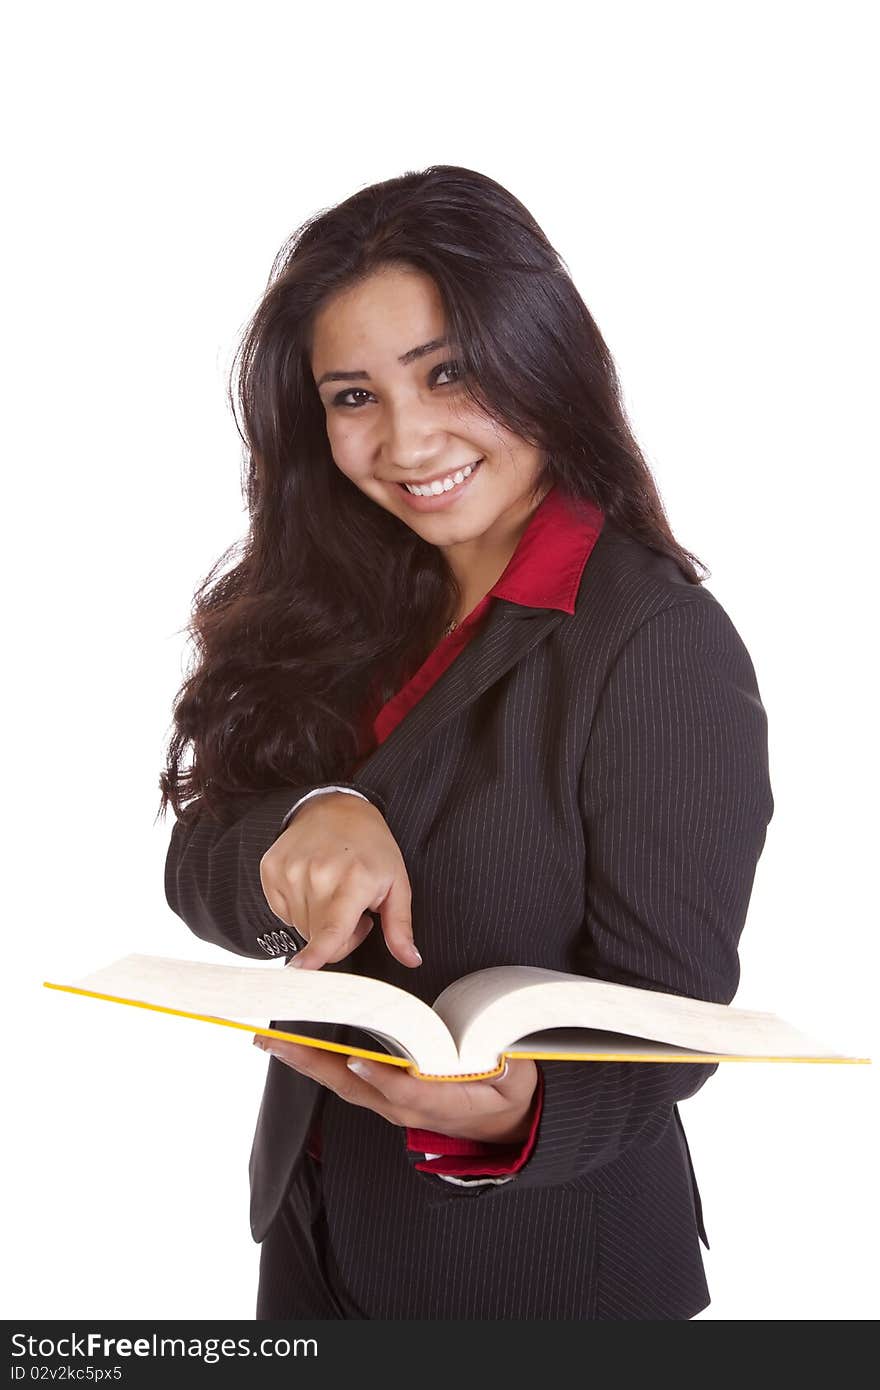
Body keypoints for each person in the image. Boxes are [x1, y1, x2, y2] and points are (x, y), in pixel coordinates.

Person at [159, 165, 774, 1320]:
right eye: (352, 396)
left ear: (539, 352)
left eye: (448, 372)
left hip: (540, 1275)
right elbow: (200, 859)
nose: (405, 439)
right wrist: (303, 822)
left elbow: (676, 1020)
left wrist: (517, 1111)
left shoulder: (652, 642)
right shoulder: (332, 596)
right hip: (314, 1232)